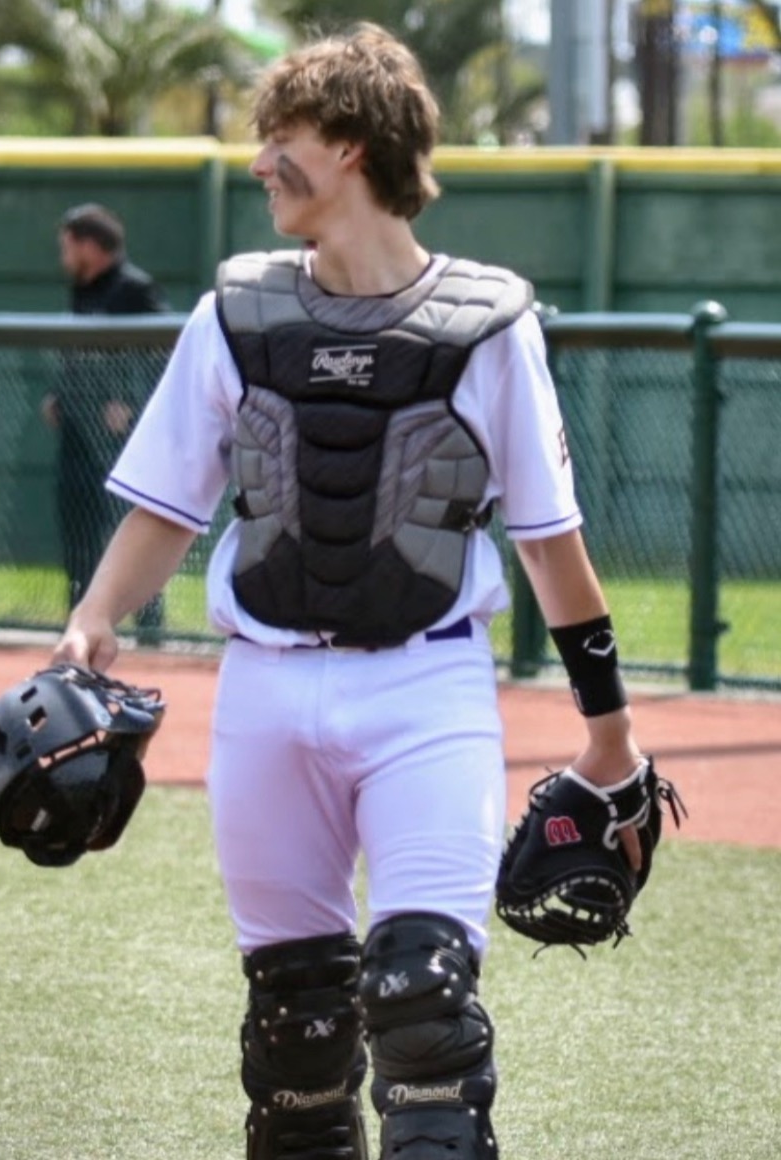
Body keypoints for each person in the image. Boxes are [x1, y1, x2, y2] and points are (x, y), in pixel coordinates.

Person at [51, 23, 647, 1160]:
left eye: (284, 139)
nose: (260, 162)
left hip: (426, 692)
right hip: (265, 694)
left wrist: (609, 732)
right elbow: (169, 506)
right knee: (297, 1039)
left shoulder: (488, 325)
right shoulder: (235, 314)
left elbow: (550, 544)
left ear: (355, 145)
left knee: (424, 1009)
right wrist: (95, 615)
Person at [41, 203, 171, 621]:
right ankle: (80, 615)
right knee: (77, 520)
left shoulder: (135, 288)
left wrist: (130, 401)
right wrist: (58, 395)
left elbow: (166, 354)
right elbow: (77, 352)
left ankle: (148, 623)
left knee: (132, 523)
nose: (64, 257)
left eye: (68, 247)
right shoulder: (82, 289)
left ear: (91, 246)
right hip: (78, 426)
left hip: (121, 433)